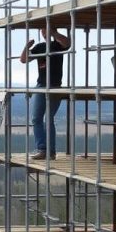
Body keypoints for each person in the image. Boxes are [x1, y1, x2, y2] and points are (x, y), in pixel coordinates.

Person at [21, 26, 70, 159]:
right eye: (42, 30)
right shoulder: (40, 47)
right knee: (36, 118)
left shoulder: (57, 45)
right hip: (41, 85)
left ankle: (51, 152)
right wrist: (27, 47)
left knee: (48, 118)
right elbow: (24, 59)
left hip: (54, 86)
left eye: (46, 29)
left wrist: (54, 33)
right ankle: (42, 149)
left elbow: (68, 43)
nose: (43, 33)